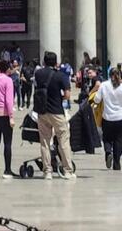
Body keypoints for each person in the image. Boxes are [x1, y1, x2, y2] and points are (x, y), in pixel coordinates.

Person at [33, 50, 75, 180]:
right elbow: (67, 95)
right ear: (56, 62)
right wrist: (59, 97)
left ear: (44, 62)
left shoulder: (38, 74)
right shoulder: (61, 76)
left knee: (44, 142)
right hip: (56, 111)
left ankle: (47, 171)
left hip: (42, 111)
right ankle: (67, 170)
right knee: (63, 139)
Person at [93, 66, 122, 170]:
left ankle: (108, 153)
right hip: (120, 117)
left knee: (107, 138)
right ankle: (117, 162)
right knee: (119, 140)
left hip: (107, 117)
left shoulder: (104, 85)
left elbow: (97, 99)